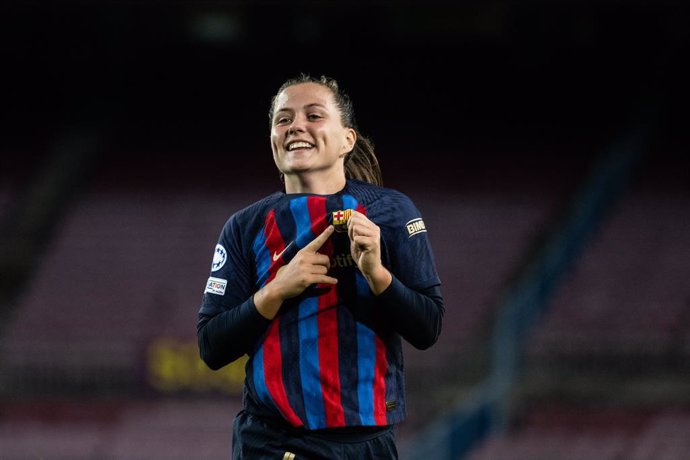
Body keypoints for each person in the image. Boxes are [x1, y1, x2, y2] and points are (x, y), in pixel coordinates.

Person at [197, 73, 444, 459]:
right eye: (283, 119)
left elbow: (428, 328)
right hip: (276, 442)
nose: (296, 125)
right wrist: (277, 289)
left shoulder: (391, 212)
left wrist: (378, 276)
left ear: (348, 139)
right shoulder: (245, 227)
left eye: (313, 115)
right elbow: (211, 346)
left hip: (370, 443)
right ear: (273, 142)